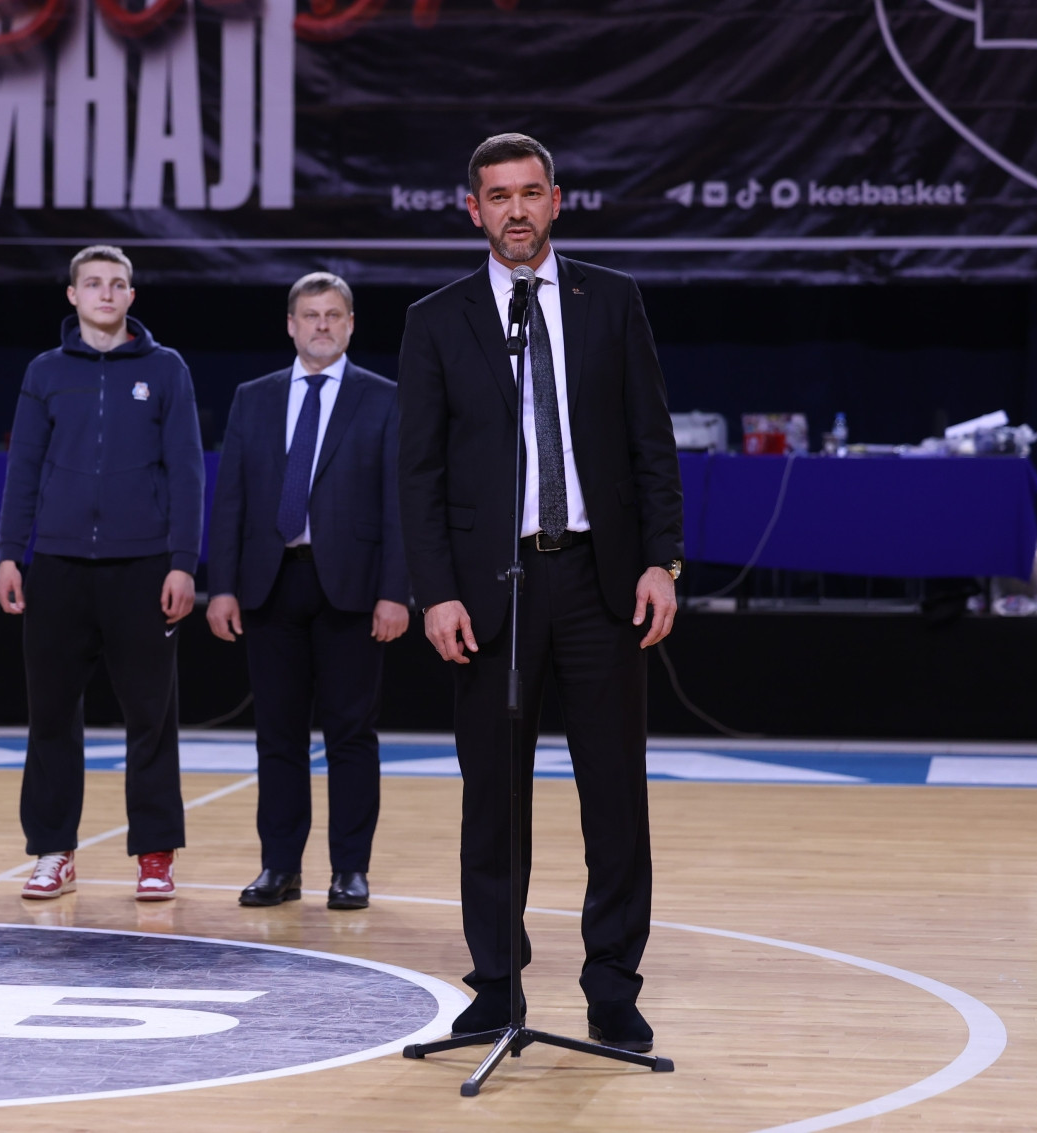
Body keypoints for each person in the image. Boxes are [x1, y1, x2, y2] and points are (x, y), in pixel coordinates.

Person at [396, 134, 683, 1049]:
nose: (515, 210)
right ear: (472, 210)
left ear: (557, 200)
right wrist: (436, 592)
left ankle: (612, 985)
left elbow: (651, 442)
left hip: (601, 581)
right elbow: (418, 474)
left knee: (615, 794)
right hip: (494, 592)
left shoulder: (613, 300)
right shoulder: (436, 320)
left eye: (530, 193)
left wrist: (662, 561)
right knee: (493, 796)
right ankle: (497, 982)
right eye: (498, 196)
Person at [0, 245, 203, 901]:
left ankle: (155, 854)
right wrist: (10, 552)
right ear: (73, 295)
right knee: (51, 716)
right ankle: (53, 851)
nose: (106, 293)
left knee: (151, 717)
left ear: (131, 296)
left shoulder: (166, 368)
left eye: (117, 284)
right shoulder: (46, 371)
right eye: (93, 283)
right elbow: (24, 467)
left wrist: (183, 562)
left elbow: (187, 472)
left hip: (143, 568)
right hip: (57, 567)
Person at [205, 272, 408, 911]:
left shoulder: (384, 399)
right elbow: (231, 498)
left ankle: (350, 869)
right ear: (291, 325)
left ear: (350, 325)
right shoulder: (253, 398)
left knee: (351, 736)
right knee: (278, 736)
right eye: (311, 315)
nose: (322, 325)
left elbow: (400, 504)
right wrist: (222, 586)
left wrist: (395, 591)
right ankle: (280, 867)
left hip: (354, 588)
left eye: (333, 315)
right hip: (270, 584)